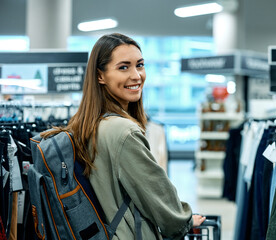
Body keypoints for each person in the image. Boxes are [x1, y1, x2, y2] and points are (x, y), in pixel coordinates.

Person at [41, 33, 205, 239]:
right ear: (100, 76)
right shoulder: (124, 132)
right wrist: (184, 220)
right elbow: (159, 197)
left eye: (140, 65)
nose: (136, 75)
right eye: (123, 67)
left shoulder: (85, 124)